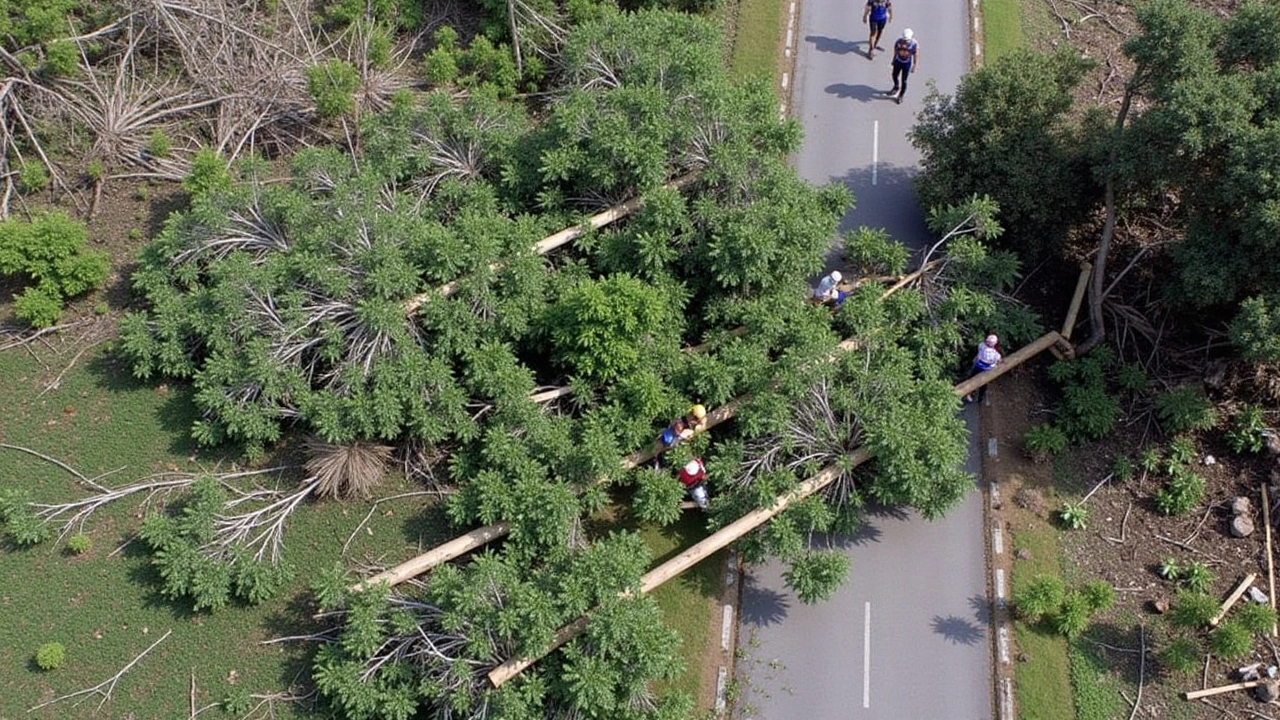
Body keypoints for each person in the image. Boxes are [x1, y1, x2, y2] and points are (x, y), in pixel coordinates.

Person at [964, 334, 1003, 404]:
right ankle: (980, 398)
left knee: (971, 378)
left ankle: (968, 394)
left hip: (978, 366)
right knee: (983, 384)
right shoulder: (996, 354)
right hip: (988, 370)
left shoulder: (981, 346)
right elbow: (999, 361)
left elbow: (979, 352)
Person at [887, 28, 918, 105]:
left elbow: (916, 55)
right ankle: (896, 86)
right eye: (904, 40)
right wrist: (893, 60)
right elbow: (895, 51)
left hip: (906, 64)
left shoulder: (914, 44)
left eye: (907, 40)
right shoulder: (898, 42)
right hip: (898, 61)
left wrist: (914, 65)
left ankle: (901, 95)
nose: (905, 42)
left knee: (904, 80)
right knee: (894, 75)